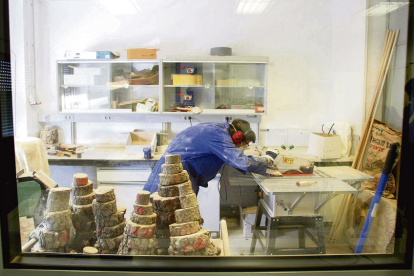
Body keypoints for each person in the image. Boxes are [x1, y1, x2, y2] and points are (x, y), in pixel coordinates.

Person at [143, 119, 277, 195]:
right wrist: (267, 160)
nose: (243, 147)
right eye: (244, 144)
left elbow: (232, 158)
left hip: (178, 171)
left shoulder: (218, 130)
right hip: (175, 175)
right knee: (168, 217)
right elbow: (241, 161)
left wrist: (261, 167)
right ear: (237, 137)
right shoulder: (218, 136)